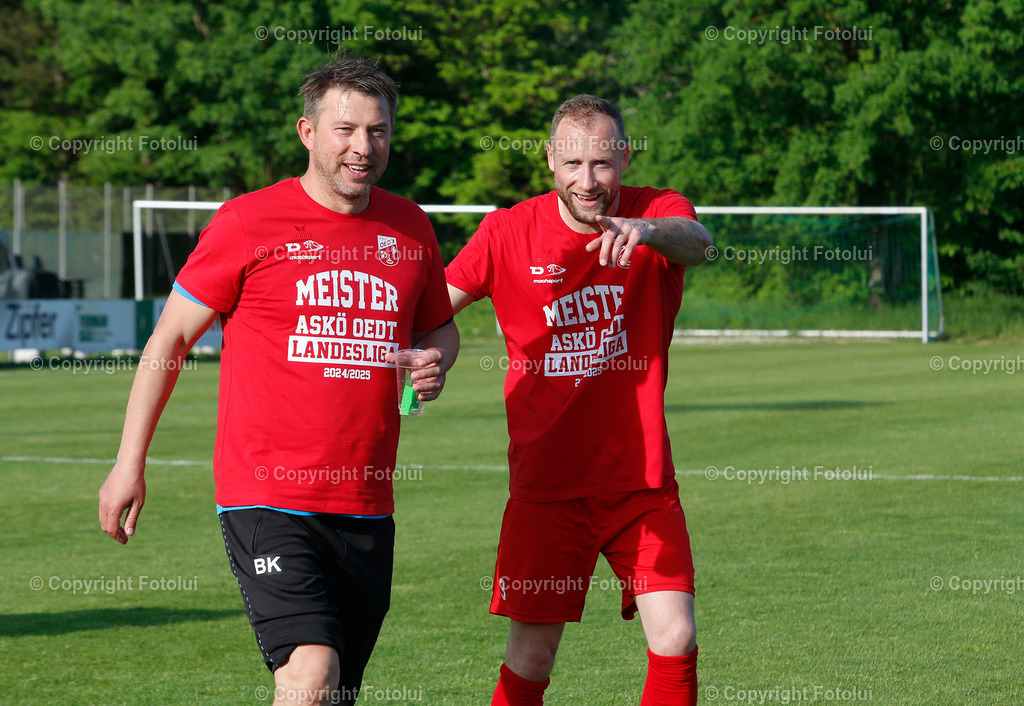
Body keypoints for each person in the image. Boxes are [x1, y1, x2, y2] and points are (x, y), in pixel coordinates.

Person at [98, 56, 458, 706]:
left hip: (368, 501)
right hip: (266, 495)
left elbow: (438, 329)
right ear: (307, 132)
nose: (362, 146)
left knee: (339, 690)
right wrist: (130, 464)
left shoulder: (410, 228)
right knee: (310, 676)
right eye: (345, 129)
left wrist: (434, 360)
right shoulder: (246, 222)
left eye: (377, 131)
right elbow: (170, 339)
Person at [445, 94, 712, 705]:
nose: (587, 181)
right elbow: (435, 309)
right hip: (547, 486)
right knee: (532, 658)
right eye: (572, 164)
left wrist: (647, 233)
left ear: (623, 157)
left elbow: (698, 242)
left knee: (675, 636)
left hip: (639, 484)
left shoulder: (655, 212)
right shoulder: (506, 230)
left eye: (602, 163)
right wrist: (419, 354)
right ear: (549, 162)